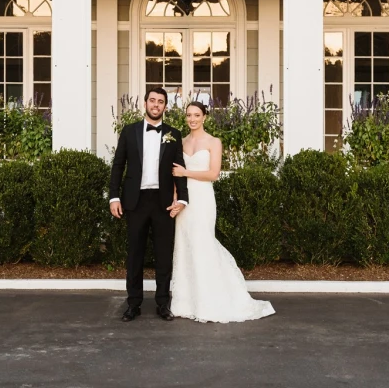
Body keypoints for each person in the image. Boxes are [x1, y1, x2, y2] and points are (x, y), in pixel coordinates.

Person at [169, 100, 275, 323]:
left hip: (203, 197)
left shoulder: (214, 142)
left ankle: (211, 300)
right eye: (189, 115)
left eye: (196, 115)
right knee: (186, 243)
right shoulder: (181, 141)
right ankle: (187, 301)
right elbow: (174, 176)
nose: (192, 119)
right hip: (185, 199)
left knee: (203, 242)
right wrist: (176, 198)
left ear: (205, 117)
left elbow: (213, 174)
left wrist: (185, 172)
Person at [109, 86, 189, 321]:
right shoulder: (129, 131)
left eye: (161, 101)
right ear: (145, 104)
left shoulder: (174, 134)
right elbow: (118, 166)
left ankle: (163, 303)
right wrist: (114, 196)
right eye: (152, 100)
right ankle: (133, 303)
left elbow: (178, 169)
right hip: (135, 201)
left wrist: (182, 198)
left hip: (163, 202)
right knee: (135, 254)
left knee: (163, 255)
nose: (156, 105)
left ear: (165, 106)